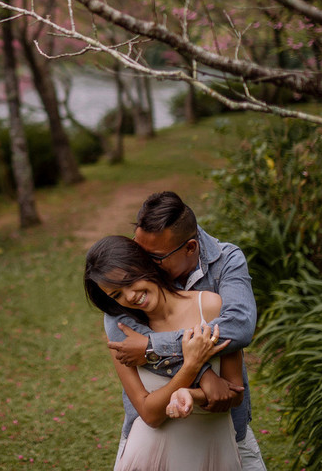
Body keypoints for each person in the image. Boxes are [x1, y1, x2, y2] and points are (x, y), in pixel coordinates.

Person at [105, 192, 268, 470]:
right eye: (137, 249)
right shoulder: (131, 279)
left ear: (190, 248)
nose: (141, 264)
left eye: (153, 258)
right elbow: (126, 342)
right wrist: (203, 374)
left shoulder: (226, 261)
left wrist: (152, 347)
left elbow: (239, 327)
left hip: (224, 427)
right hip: (153, 434)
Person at [85, 235, 243, 470]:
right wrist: (191, 368)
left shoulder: (210, 306)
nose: (129, 296)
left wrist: (192, 396)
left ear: (145, 263)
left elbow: (235, 394)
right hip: (150, 455)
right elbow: (150, 415)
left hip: (214, 450)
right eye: (117, 295)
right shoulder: (124, 333)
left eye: (129, 281)